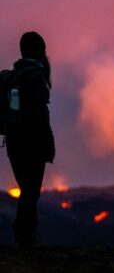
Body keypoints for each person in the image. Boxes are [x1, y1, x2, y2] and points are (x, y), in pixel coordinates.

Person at [5, 31, 55, 248]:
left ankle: (24, 237)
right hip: (32, 141)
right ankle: (25, 238)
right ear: (40, 49)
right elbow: (40, 113)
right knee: (30, 190)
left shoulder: (13, 75)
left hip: (13, 140)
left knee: (26, 188)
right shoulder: (36, 75)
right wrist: (48, 143)